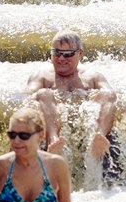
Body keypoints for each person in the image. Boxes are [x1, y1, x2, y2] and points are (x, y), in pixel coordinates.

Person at [27, 30, 117, 160]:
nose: (61, 58)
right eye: (56, 53)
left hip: (85, 121)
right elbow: (27, 96)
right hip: (53, 120)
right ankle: (53, 142)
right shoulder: (42, 76)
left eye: (68, 54)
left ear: (80, 53)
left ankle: (99, 139)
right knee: (43, 93)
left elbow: (111, 97)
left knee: (108, 94)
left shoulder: (92, 76)